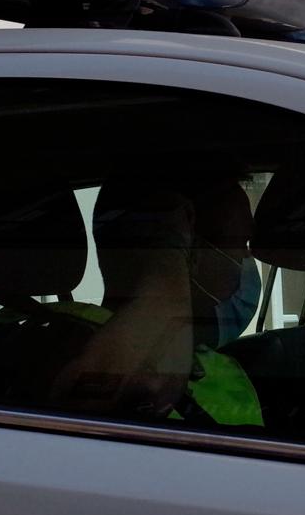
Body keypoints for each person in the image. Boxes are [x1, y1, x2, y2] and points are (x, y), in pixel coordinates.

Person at [49, 162, 264, 425]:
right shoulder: (59, 347)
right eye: (239, 244)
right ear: (188, 249)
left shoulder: (206, 362)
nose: (246, 259)